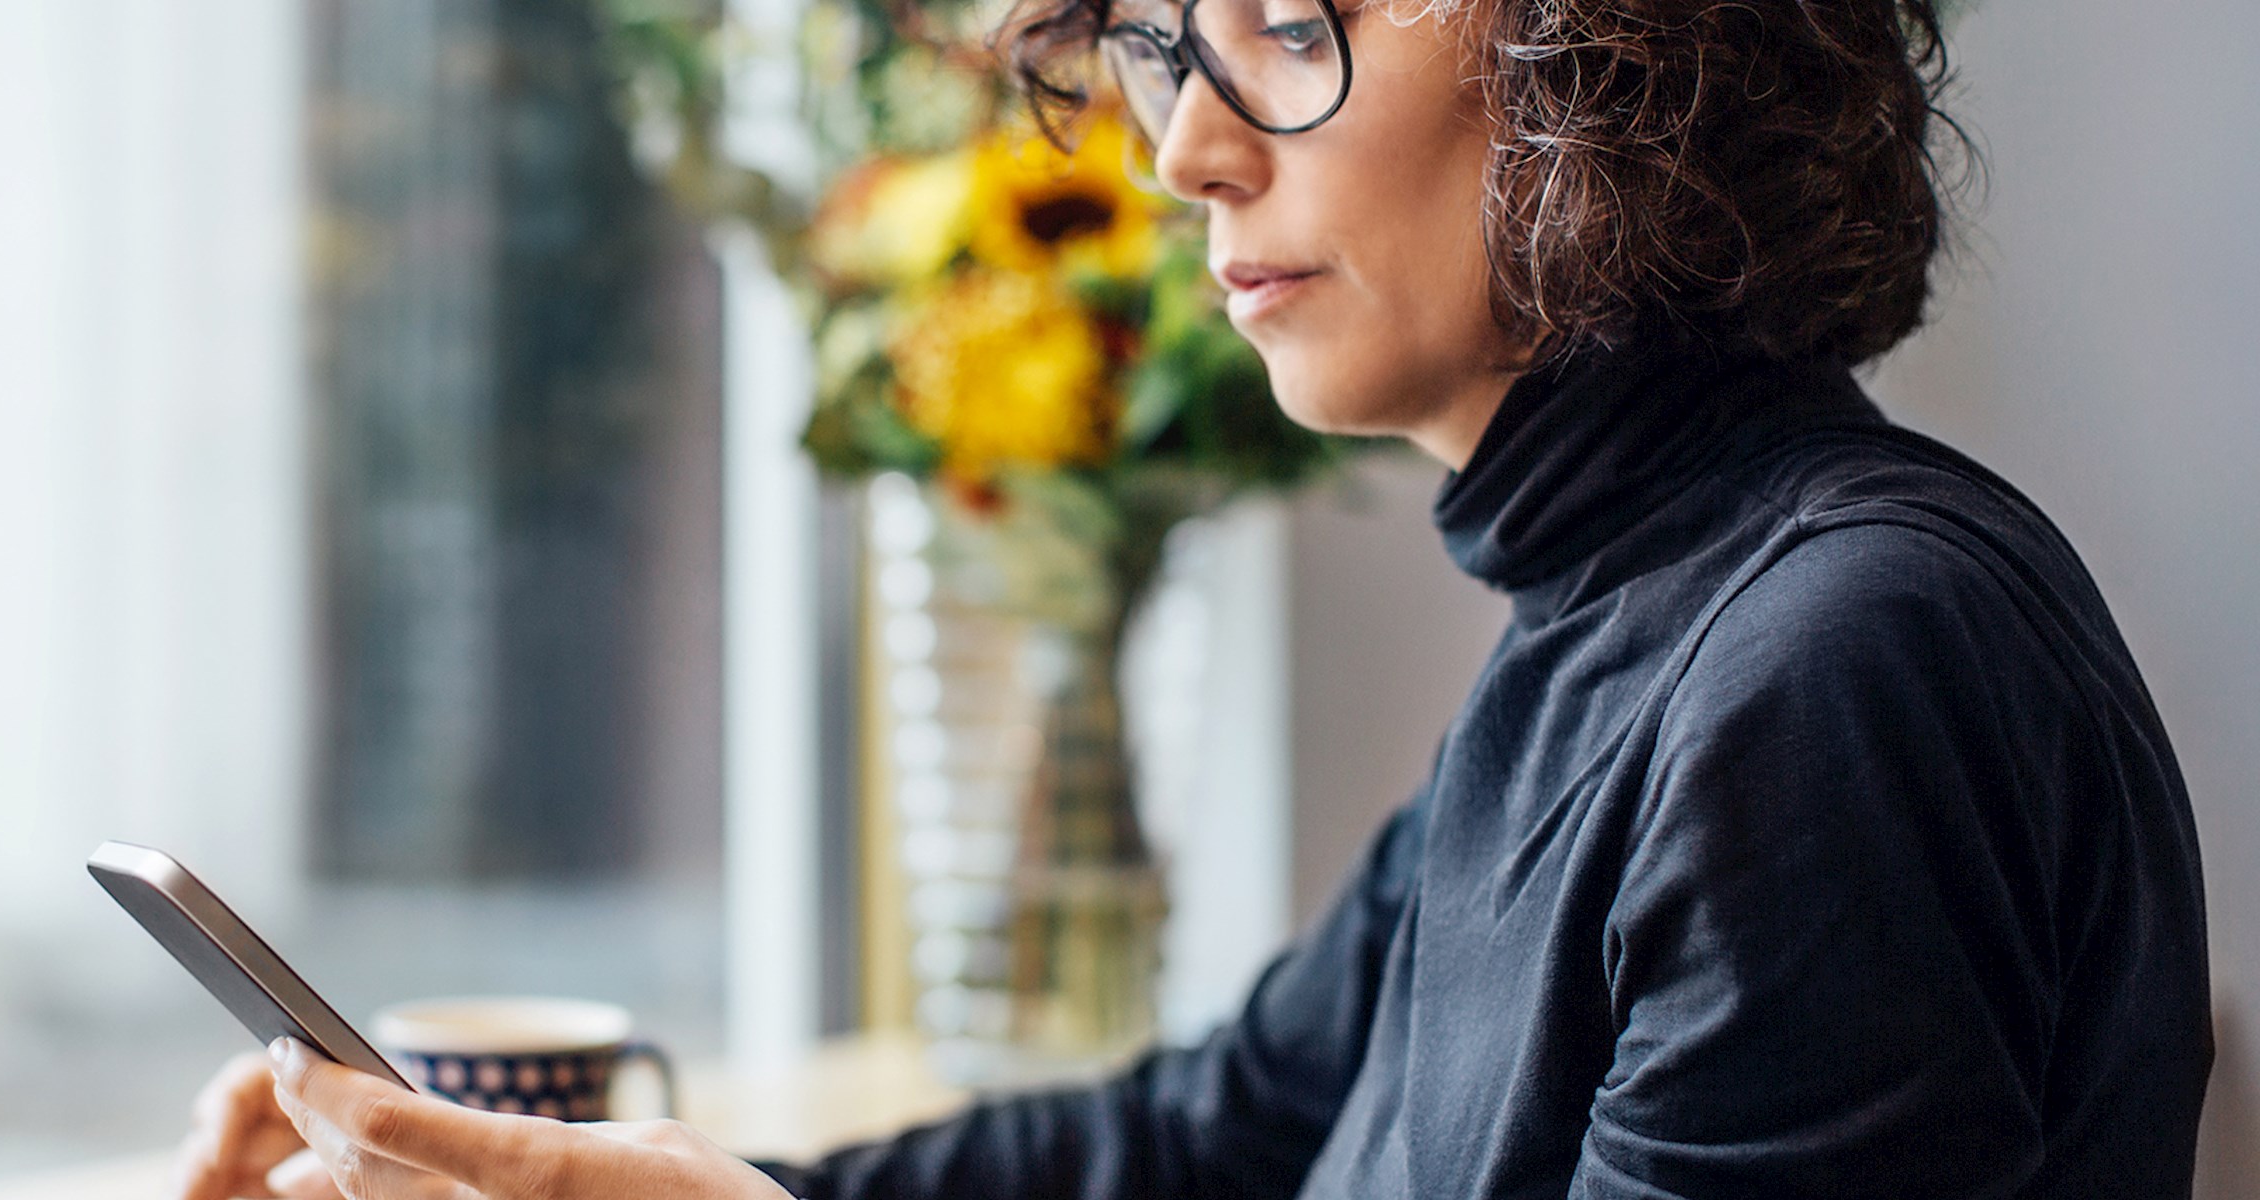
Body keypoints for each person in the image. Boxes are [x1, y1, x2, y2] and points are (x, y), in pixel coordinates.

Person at [176, 0, 2212, 1195]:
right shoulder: (1625, 628)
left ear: (1622, 54)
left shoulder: (1835, 668)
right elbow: (1219, 1132)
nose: (1185, 151)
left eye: (1294, 27)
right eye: (1164, 42)